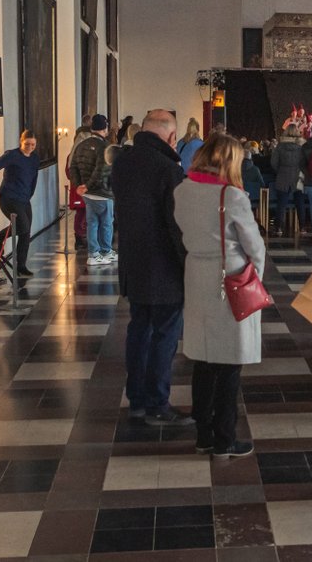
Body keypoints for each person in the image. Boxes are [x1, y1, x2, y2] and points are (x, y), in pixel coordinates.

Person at [173, 133, 265, 458]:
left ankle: (203, 436)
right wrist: (257, 278)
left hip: (196, 274)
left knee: (204, 360)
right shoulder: (232, 195)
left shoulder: (182, 189)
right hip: (229, 279)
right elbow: (254, 246)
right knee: (229, 364)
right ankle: (225, 439)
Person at [110, 109, 192, 424]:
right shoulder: (167, 169)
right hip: (164, 270)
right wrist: (189, 265)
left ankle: (137, 399)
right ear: (171, 137)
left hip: (133, 263)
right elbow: (176, 225)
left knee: (138, 330)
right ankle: (158, 403)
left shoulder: (122, 163)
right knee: (165, 335)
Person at [0, 129, 41, 276]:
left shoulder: (35, 158)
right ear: (21, 142)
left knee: (26, 232)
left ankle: (21, 265)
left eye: (33, 144)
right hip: (9, 197)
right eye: (27, 144)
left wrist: (30, 194)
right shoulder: (12, 155)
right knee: (22, 226)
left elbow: (34, 177)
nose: (30, 147)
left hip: (24, 199)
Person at [71, 113, 117, 268]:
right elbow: (101, 170)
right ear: (104, 128)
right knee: (106, 223)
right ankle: (105, 251)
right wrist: (88, 185)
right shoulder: (104, 147)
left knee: (92, 223)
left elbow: (73, 166)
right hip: (102, 192)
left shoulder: (81, 145)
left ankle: (93, 253)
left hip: (87, 193)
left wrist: (79, 186)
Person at [270, 124, 305, 234]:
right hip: (297, 176)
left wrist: (279, 171)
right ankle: (303, 227)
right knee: (300, 202)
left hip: (283, 175)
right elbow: (305, 163)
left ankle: (278, 227)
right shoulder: (301, 147)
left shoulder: (280, 147)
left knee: (282, 203)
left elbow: (273, 162)